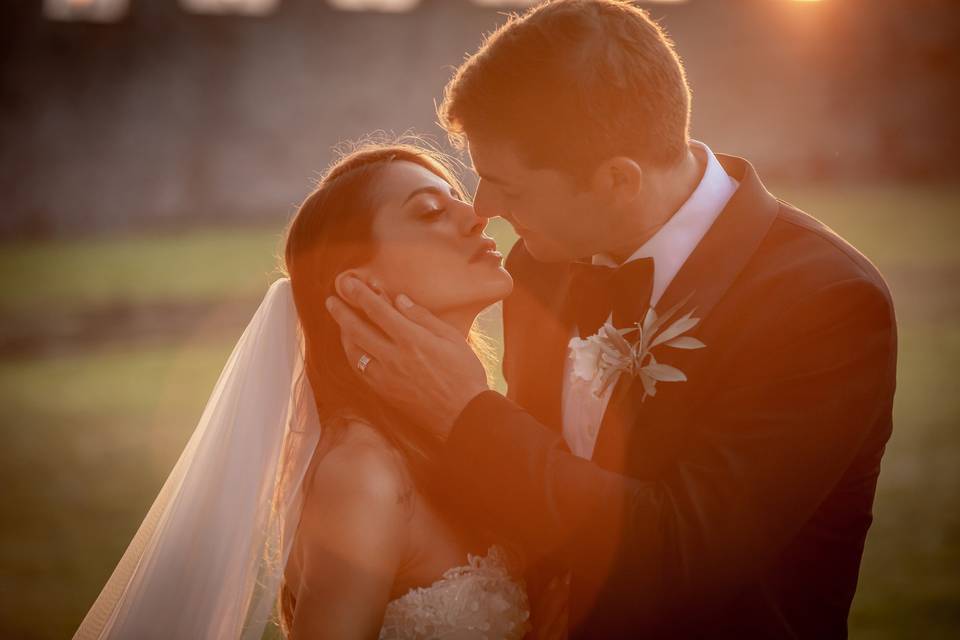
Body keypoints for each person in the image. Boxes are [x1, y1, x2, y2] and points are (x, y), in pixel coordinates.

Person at [325, 1, 899, 638]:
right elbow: (534, 499)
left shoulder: (823, 303)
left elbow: (681, 555)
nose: (483, 208)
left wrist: (466, 414)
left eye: (508, 188)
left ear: (617, 181)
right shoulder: (538, 267)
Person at [72, 143, 531, 640]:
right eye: (430, 211)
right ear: (362, 285)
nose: (478, 216)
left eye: (458, 197)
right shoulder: (362, 473)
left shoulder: (466, 425)